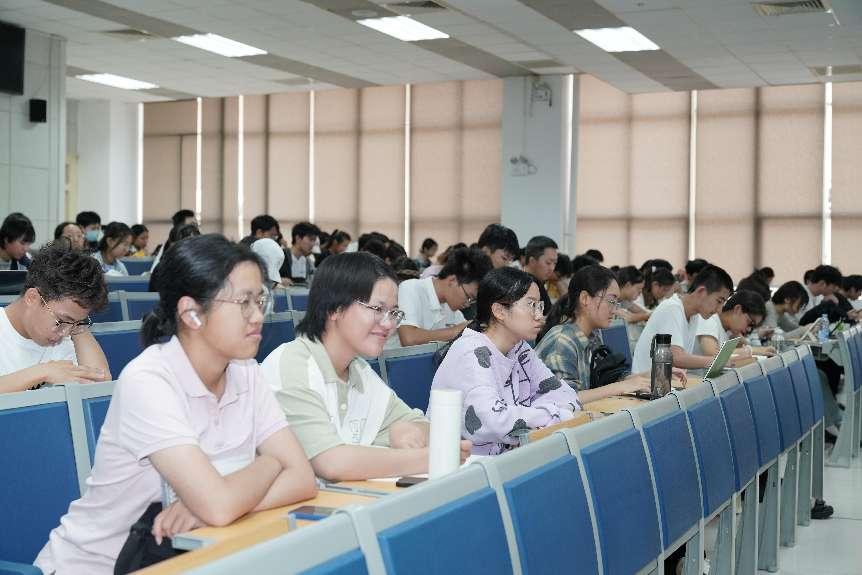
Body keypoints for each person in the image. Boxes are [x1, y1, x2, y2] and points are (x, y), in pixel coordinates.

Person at [35, 235, 317, 574]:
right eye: (244, 302)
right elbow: (220, 504)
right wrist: (270, 463)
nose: (257, 316)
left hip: (191, 558)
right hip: (99, 566)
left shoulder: (246, 371)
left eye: (260, 300)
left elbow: (302, 478)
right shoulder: (149, 380)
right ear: (191, 313)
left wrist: (208, 508)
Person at [262, 252, 470, 480]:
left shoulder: (358, 370)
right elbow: (331, 462)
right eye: (378, 309)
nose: (389, 324)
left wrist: (408, 430)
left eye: (393, 312)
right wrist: (433, 457)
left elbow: (421, 424)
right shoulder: (293, 366)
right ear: (335, 308)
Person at [431, 267, 584, 455]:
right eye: (531, 305)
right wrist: (553, 414)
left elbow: (566, 395)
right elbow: (495, 422)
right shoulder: (472, 352)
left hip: (510, 458)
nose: (539, 316)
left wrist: (535, 417)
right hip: (466, 464)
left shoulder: (520, 348)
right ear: (499, 311)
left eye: (540, 306)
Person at [536, 265, 674, 396]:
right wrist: (620, 387)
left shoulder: (593, 335)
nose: (614, 310)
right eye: (611, 301)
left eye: (616, 303)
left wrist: (648, 375)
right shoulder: (562, 340)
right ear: (585, 298)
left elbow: (607, 376)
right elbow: (565, 399)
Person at [0, 244, 111, 394]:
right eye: (60, 321)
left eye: (76, 324)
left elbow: (99, 385)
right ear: (32, 298)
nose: (65, 333)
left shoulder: (64, 338)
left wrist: (77, 324)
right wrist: (43, 372)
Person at [632, 265, 734, 373]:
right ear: (701, 292)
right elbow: (676, 357)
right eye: (719, 301)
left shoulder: (694, 315)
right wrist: (717, 361)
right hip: (646, 381)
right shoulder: (672, 308)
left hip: (667, 380)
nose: (719, 310)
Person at [392, 247, 492, 348]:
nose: (467, 303)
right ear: (452, 280)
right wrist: (456, 331)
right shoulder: (410, 288)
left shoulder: (452, 309)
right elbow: (409, 339)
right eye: (468, 296)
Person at [692, 290, 772, 362]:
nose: (748, 329)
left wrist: (760, 350)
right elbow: (714, 355)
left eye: (753, 327)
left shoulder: (730, 329)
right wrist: (752, 350)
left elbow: (746, 345)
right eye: (750, 323)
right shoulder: (709, 319)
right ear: (738, 309)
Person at [522, 236, 558, 315]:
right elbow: (540, 317)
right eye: (548, 263)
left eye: (555, 263)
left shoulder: (538, 282)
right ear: (532, 261)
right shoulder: (530, 284)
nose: (552, 268)